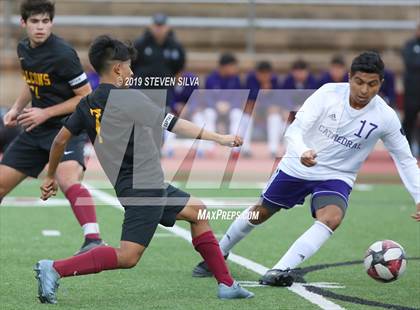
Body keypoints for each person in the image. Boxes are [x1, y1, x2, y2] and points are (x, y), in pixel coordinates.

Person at [34, 35, 254, 304]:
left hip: (137, 184)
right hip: (144, 187)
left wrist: (50, 176)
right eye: (128, 66)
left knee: (198, 211)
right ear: (117, 69)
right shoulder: (128, 98)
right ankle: (55, 268)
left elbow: (59, 140)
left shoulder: (86, 103)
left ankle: (227, 284)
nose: (132, 71)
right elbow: (172, 123)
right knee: (128, 257)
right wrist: (219, 138)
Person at [192, 51, 420, 286]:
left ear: (381, 83)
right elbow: (294, 130)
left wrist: (418, 195)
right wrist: (302, 151)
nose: (364, 90)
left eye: (372, 84)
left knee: (332, 218)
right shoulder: (327, 94)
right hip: (297, 165)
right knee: (259, 213)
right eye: (359, 82)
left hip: (337, 175)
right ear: (349, 77)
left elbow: (404, 158)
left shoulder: (386, 117)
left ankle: (280, 269)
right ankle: (218, 254)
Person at [0, 0, 104, 254]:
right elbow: (31, 80)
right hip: (35, 131)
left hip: (65, 129)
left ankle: (93, 240)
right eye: (35, 21)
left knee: (68, 180)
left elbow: (85, 96)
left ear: (51, 23)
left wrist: (45, 112)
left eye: (46, 21)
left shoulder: (62, 54)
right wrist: (15, 108)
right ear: (24, 23)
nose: (40, 27)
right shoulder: (24, 47)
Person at [131, 13, 185, 89]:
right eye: (156, 25)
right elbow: (132, 65)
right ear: (151, 26)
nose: (159, 29)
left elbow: (179, 68)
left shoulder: (175, 47)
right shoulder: (140, 45)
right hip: (143, 87)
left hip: (165, 87)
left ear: (168, 27)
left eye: (161, 26)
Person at [245, 61, 285, 157]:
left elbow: (278, 101)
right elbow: (248, 100)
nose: (264, 76)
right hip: (255, 109)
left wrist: (275, 107)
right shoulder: (251, 80)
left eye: (267, 74)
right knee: (246, 117)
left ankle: (273, 149)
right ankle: (245, 149)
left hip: (270, 110)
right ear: (257, 73)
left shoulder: (275, 80)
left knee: (275, 117)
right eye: (261, 74)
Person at [401, 23, 420, 153]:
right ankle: (404, 150)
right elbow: (410, 62)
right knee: (409, 120)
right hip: (412, 91)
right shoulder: (409, 45)